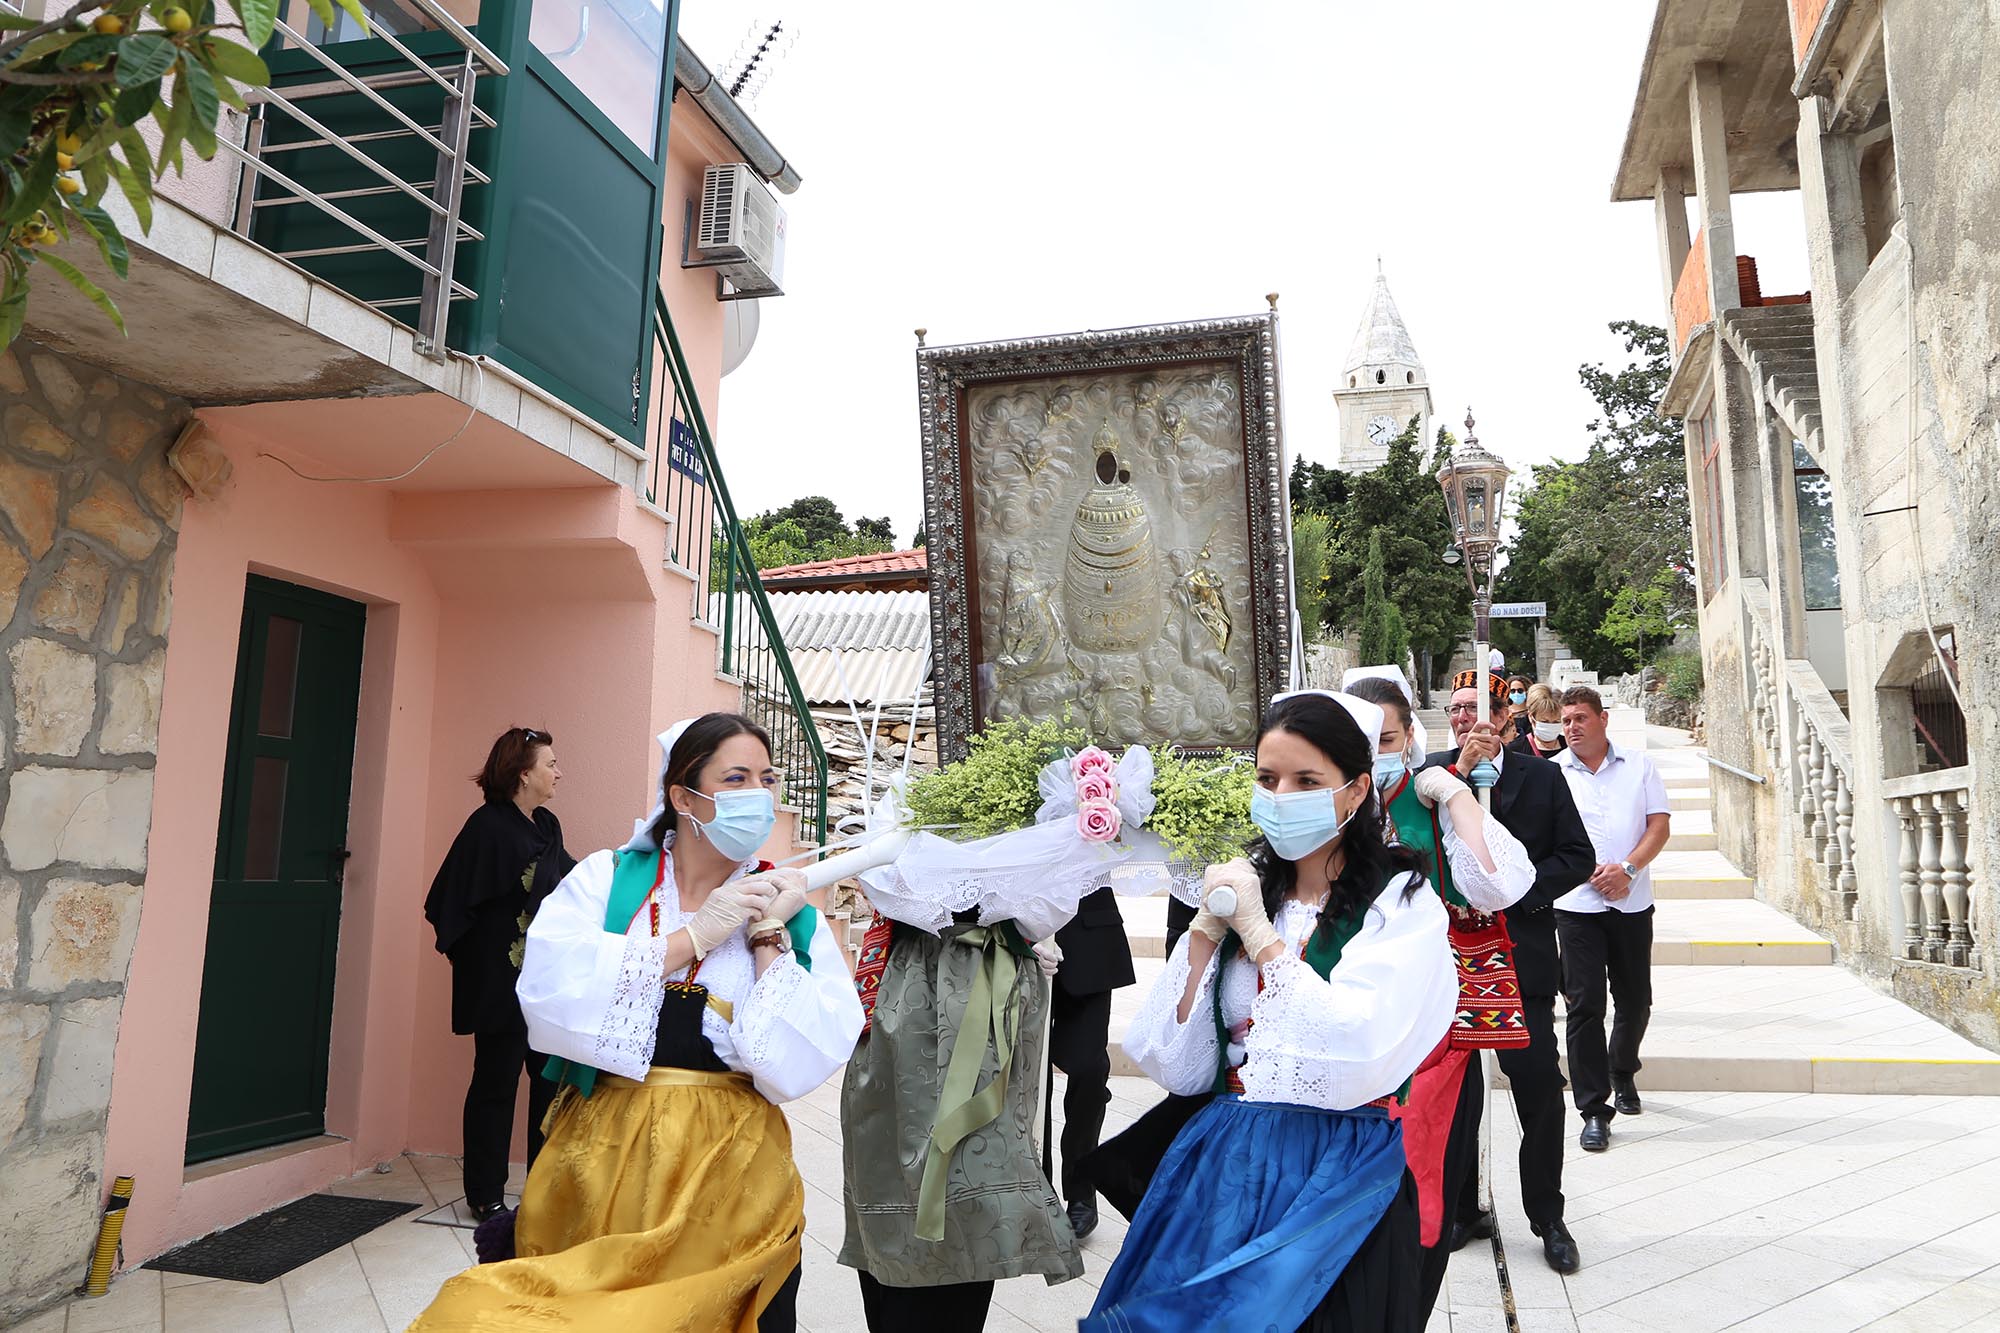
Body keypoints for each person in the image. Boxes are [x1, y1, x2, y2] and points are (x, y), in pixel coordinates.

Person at [412, 713, 865, 1331]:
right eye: (736, 778)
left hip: (734, 1169)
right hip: (602, 1154)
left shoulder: (788, 909)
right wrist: (692, 937)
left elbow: (797, 1060)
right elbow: (548, 991)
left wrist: (766, 935)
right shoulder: (606, 879)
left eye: (767, 779)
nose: (759, 796)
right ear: (683, 797)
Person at [1083, 692, 1456, 1332]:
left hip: (1338, 1164)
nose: (1281, 796)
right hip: (1225, 1163)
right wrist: (1204, 935)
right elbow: (1172, 1061)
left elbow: (1357, 1047)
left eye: (1306, 781)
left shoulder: (1400, 904)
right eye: (1267, 778)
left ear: (1355, 789)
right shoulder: (1251, 892)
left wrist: (1262, 940)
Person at [1344, 674, 1536, 1318]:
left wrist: (1455, 795)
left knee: (1422, 1164)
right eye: (1360, 740)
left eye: (1386, 738)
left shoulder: (1430, 799)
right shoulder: (1317, 806)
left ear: (1408, 738)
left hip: (1430, 1018)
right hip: (1345, 1014)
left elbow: (1498, 885)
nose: (1374, 752)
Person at [839, 833, 1077, 1327]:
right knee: (894, 1161)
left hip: (988, 987)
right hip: (915, 992)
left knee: (974, 1174)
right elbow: (885, 873)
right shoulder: (910, 824)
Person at [1422, 670, 1595, 1275]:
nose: (1463, 718)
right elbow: (1411, 848)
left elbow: (1577, 855)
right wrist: (1460, 773)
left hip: (1520, 955)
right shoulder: (1431, 775)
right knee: (1457, 1091)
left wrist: (1518, 893)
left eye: (1476, 708)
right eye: (1455, 708)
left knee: (1538, 1087)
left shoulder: (1541, 776)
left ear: (1505, 716)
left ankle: (1547, 1214)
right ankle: (1463, 1206)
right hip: (1450, 959)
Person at [423, 726, 576, 1223]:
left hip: (543, 982)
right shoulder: (487, 827)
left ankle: (543, 1189)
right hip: (498, 982)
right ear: (524, 773)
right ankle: (485, 1194)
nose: (558, 773)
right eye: (550, 764)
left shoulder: (546, 825)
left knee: (549, 1083)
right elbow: (447, 901)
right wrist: (475, 964)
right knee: (495, 1083)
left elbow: (573, 882)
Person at [1552, 686, 1671, 1153]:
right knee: (1584, 1006)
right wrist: (1588, 872)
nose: (1571, 727)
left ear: (1603, 719)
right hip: (1576, 906)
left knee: (1636, 1000)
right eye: (1566, 720)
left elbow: (1659, 825)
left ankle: (1622, 1070)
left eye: (1580, 718)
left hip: (1631, 902)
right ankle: (1593, 1111)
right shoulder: (1553, 774)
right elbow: (1547, 837)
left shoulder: (1640, 766)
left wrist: (1628, 870)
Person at [1047, 885, 1135, 1239]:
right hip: (1013, 934)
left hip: (1089, 932)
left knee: (1089, 1070)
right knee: (1028, 1077)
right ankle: (1035, 1189)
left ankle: (1081, 1187)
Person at [1510, 683, 1568, 759]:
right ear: (1531, 717)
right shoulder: (1515, 750)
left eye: (1556, 721)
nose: (1550, 726)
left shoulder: (1570, 747)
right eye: (1544, 721)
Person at [1506, 676, 1534, 741]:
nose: (1516, 693)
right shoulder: (1504, 712)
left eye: (1520, 690)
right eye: (1512, 691)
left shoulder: (1532, 712)